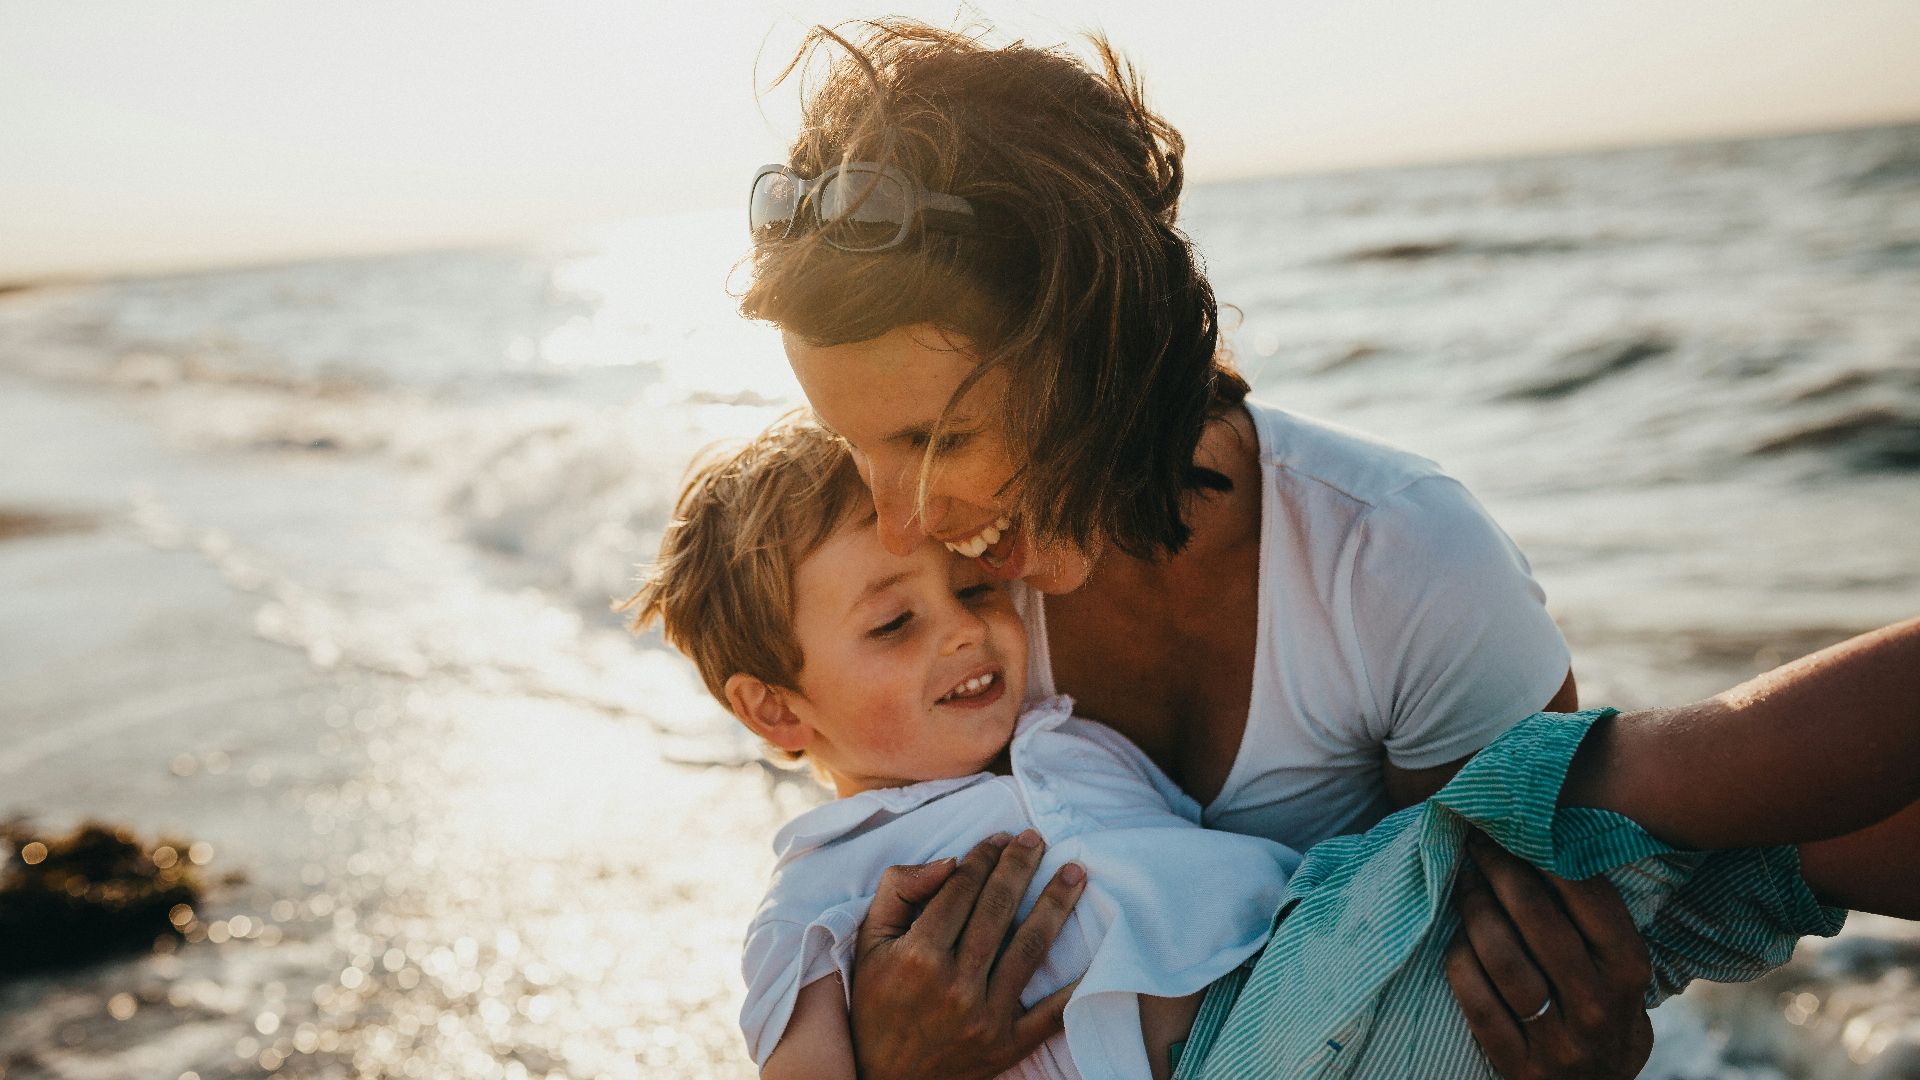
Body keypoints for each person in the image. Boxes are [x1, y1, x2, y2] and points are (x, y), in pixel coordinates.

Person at [737, 20, 1637, 1079]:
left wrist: (1592, 1041)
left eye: (939, 441)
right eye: (852, 447)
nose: (901, 521)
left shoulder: (1400, 563)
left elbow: (1554, 968)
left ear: (1099, 353)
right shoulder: (943, 609)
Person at [622, 416, 1918, 1079]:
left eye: (970, 590)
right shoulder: (823, 893)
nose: (968, 635)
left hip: (1341, 988)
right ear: (777, 713)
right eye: (894, 624)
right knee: (1603, 789)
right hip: (1262, 1041)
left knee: (1757, 861)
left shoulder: (1066, 737)